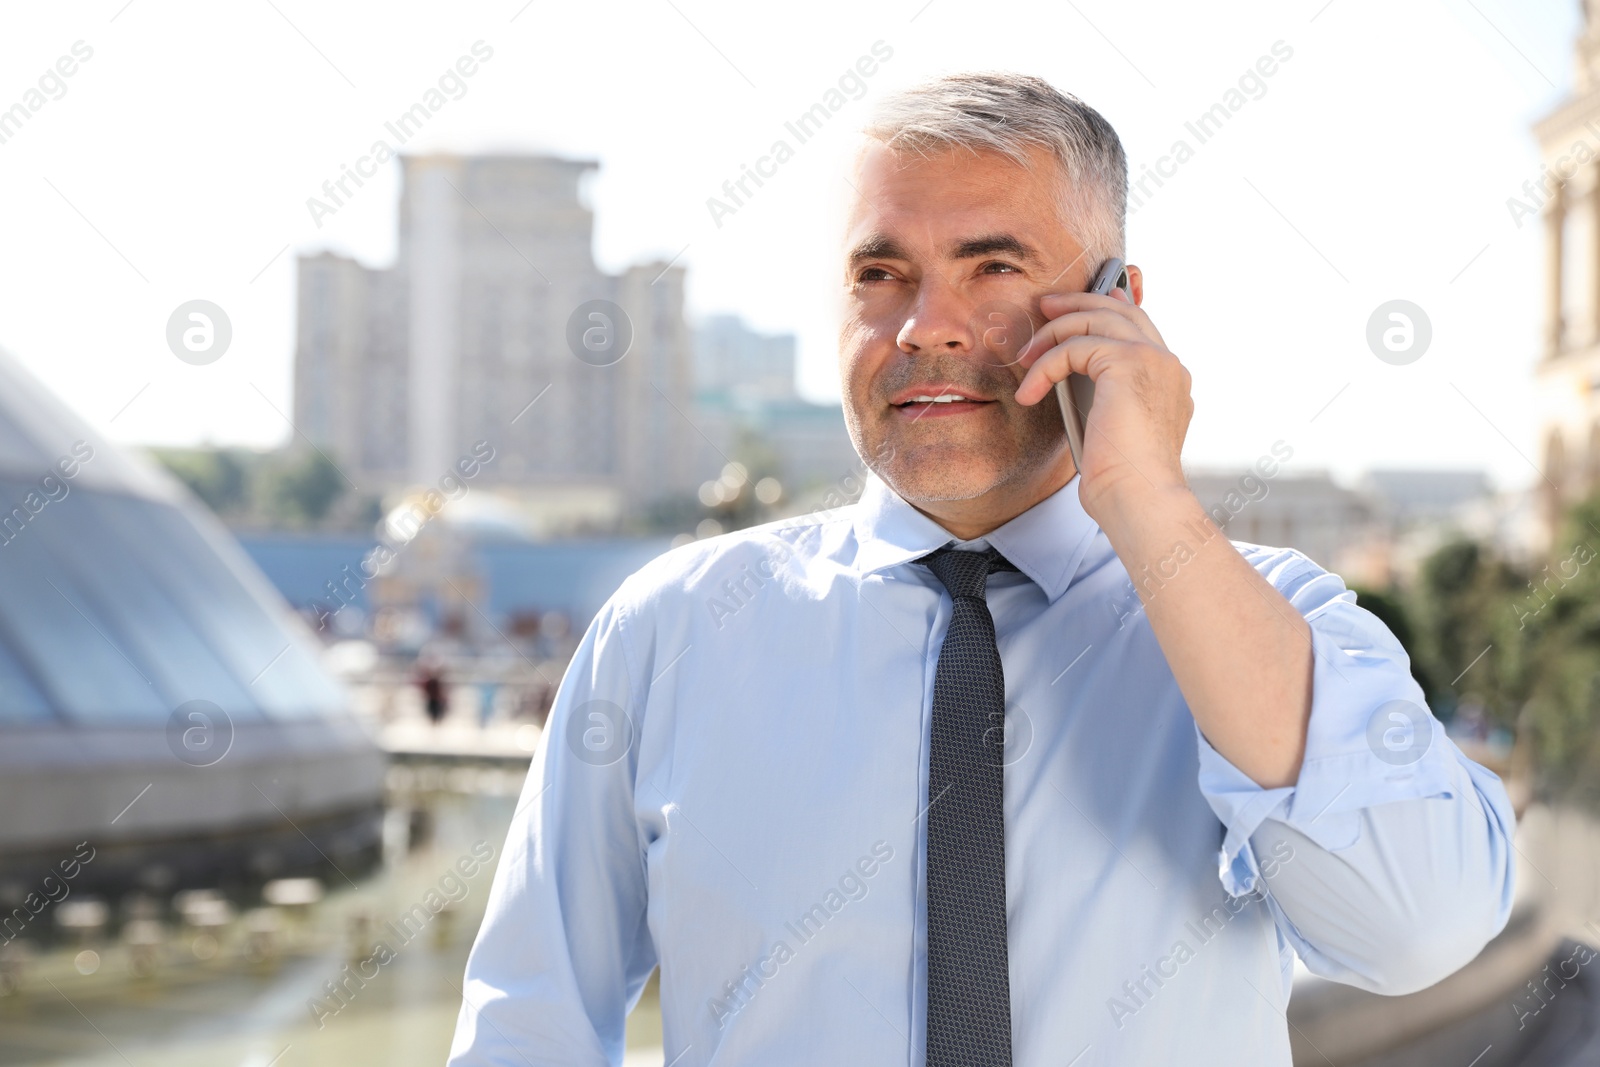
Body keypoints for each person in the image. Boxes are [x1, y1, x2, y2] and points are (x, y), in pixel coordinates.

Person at [449, 73, 1515, 1066]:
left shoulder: (1276, 616)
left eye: (991, 267)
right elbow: (525, 1026)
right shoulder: (666, 634)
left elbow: (1413, 928)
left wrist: (1144, 498)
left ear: (1118, 303)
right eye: (881, 275)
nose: (924, 327)